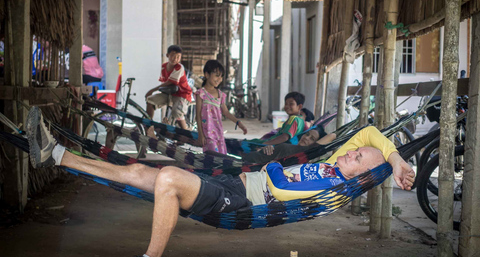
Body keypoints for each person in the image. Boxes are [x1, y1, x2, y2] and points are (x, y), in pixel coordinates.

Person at [26, 107, 414, 257]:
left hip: (247, 205)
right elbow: (368, 132)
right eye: (352, 151)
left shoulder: (333, 186)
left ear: (361, 175)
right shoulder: (334, 162)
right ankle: (57, 155)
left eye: (357, 158)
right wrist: (394, 156)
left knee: (168, 180)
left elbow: (280, 187)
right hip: (242, 184)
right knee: (142, 173)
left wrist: (274, 170)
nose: (350, 152)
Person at [196, 60, 247, 154]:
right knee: (212, 157)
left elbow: (226, 112)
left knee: (221, 157)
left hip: (219, 133)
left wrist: (239, 123)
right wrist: (200, 134)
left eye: (221, 76)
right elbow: (198, 115)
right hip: (207, 134)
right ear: (207, 75)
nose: (219, 79)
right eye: (217, 75)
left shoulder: (220, 94)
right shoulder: (201, 93)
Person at [145, 45, 192, 133]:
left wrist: (152, 90)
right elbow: (164, 83)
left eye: (178, 57)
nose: (175, 58)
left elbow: (169, 82)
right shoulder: (164, 67)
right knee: (150, 100)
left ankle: (185, 134)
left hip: (182, 94)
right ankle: (149, 127)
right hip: (169, 93)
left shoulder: (179, 67)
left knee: (176, 112)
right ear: (167, 55)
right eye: (173, 55)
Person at [243, 125, 336, 163]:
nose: (306, 138)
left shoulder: (304, 153)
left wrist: (340, 133)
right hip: (246, 160)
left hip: (248, 166)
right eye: (307, 134)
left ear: (315, 144)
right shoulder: (293, 146)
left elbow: (332, 136)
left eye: (312, 139)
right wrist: (267, 148)